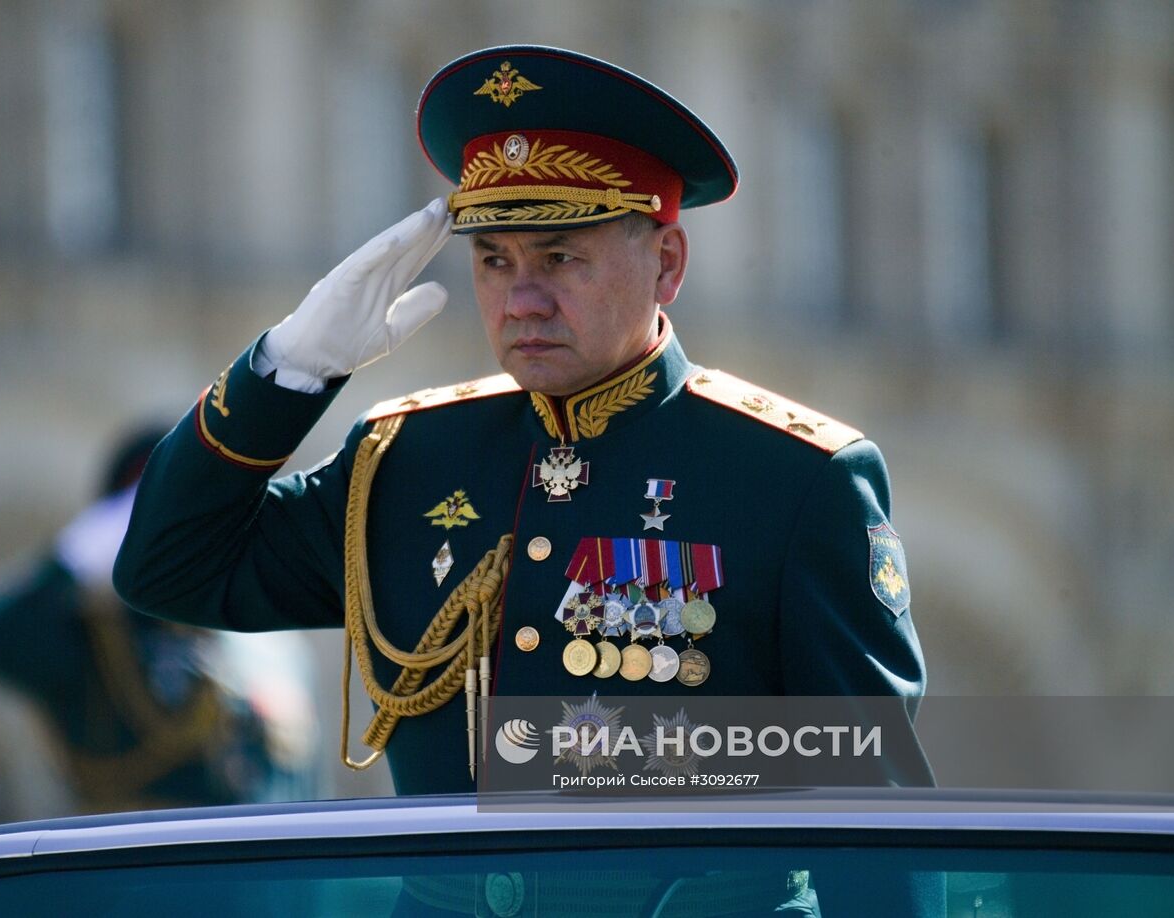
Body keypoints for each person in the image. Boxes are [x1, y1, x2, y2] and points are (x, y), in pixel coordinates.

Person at [113, 45, 930, 797]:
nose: (521, 300)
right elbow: (169, 570)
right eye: (494, 261)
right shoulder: (405, 459)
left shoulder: (794, 476)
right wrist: (288, 370)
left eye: (560, 258)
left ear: (667, 264)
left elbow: (872, 799)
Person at [0, 426, 278, 812]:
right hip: (133, 850)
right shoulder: (95, 636)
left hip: (239, 847)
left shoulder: (226, 625)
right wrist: (73, 559)